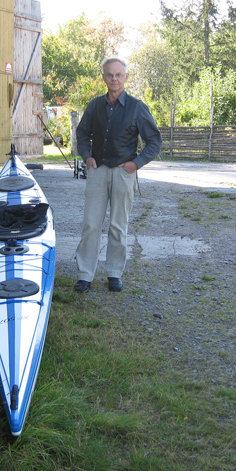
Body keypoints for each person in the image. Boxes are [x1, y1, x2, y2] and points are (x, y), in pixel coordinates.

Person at [73, 56, 162, 293]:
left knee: (118, 225)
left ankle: (114, 273)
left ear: (126, 77)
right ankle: (85, 274)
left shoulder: (136, 107)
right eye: (110, 75)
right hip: (98, 171)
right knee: (91, 224)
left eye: (118, 75)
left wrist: (136, 163)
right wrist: (87, 156)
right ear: (103, 77)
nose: (114, 79)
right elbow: (82, 135)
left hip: (124, 173)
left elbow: (154, 142)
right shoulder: (94, 106)